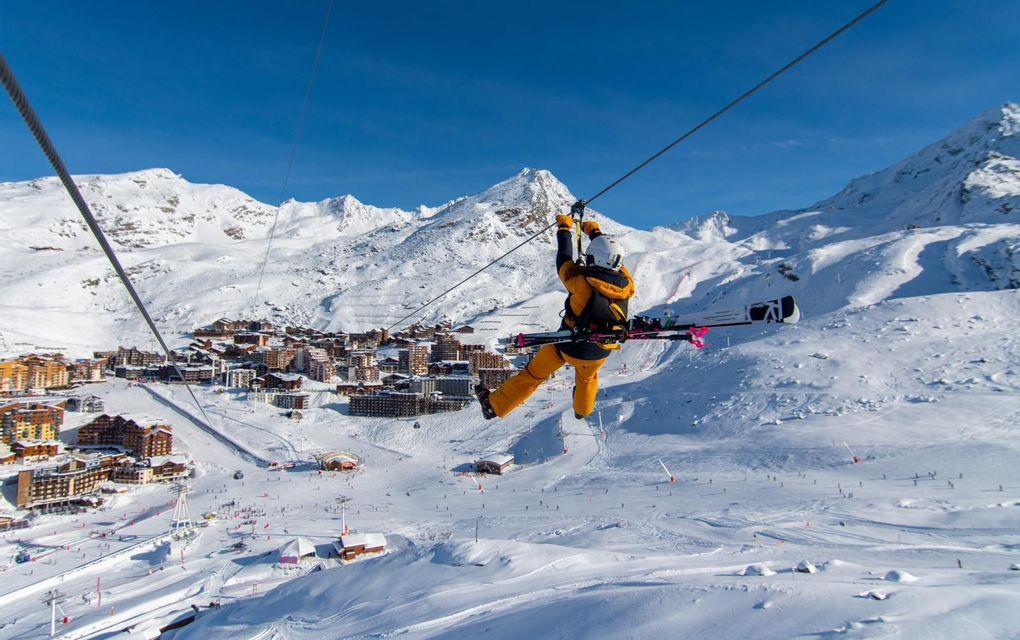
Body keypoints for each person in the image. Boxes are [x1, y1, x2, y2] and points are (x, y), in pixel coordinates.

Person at [477, 213, 634, 420]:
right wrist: (595, 233)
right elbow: (612, 258)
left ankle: (494, 407)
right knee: (587, 378)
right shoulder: (627, 284)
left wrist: (563, 230)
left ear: (593, 258)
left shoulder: (581, 281)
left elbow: (564, 261)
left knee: (533, 374)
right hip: (600, 349)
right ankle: (582, 410)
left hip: (567, 344)